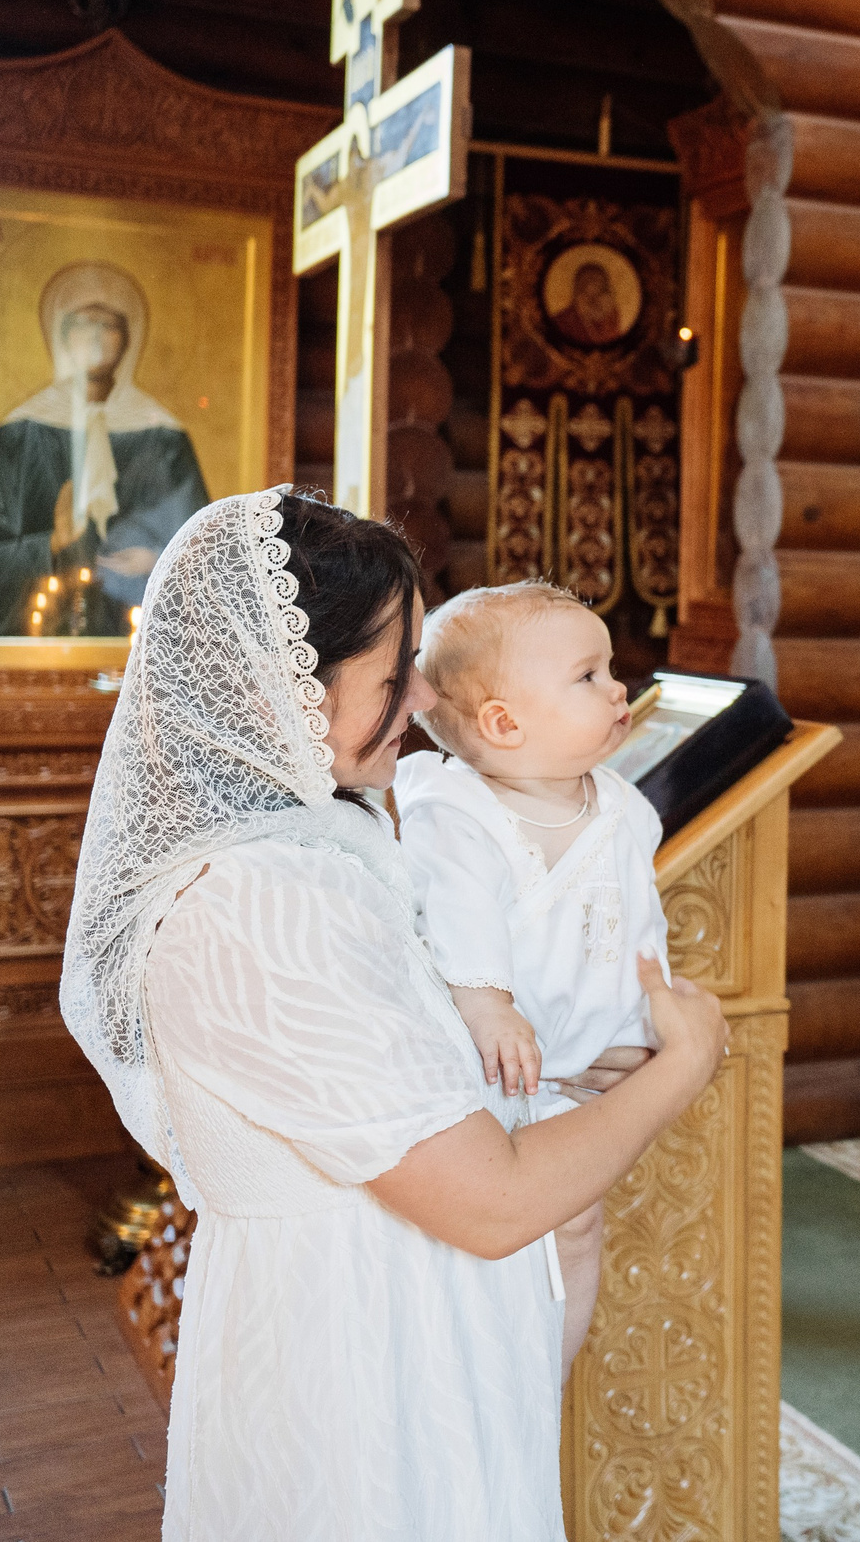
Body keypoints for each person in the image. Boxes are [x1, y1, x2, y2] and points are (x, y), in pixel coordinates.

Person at [59, 489, 727, 1540]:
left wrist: (544, 1074)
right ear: (283, 687)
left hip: (400, 1346)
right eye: (391, 670)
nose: (422, 695)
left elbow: (394, 1069)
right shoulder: (262, 904)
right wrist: (682, 1066)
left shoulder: (325, 844)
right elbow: (492, 1204)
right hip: (361, 1390)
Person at [395, 579, 671, 1374]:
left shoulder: (623, 807)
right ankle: (498, 1374)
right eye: (587, 676)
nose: (618, 687)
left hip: (593, 1071)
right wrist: (488, 1003)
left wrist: (655, 1017)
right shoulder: (460, 810)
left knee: (580, 1221)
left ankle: (549, 1369)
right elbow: (459, 912)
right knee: (514, 1232)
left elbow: (639, 920)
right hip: (508, 1068)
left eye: (610, 668)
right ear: (503, 723)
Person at [0, 260, 210, 636]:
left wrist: (159, 561)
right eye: (83, 323)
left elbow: (206, 550)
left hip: (143, 642)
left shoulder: (163, 436)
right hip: (40, 633)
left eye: (109, 325)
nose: (96, 337)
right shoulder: (22, 432)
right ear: (60, 335)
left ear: (129, 337)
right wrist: (49, 544)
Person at [550, 257, 623, 345]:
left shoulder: (612, 317)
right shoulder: (562, 321)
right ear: (577, 294)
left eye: (600, 291)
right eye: (586, 291)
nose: (595, 300)